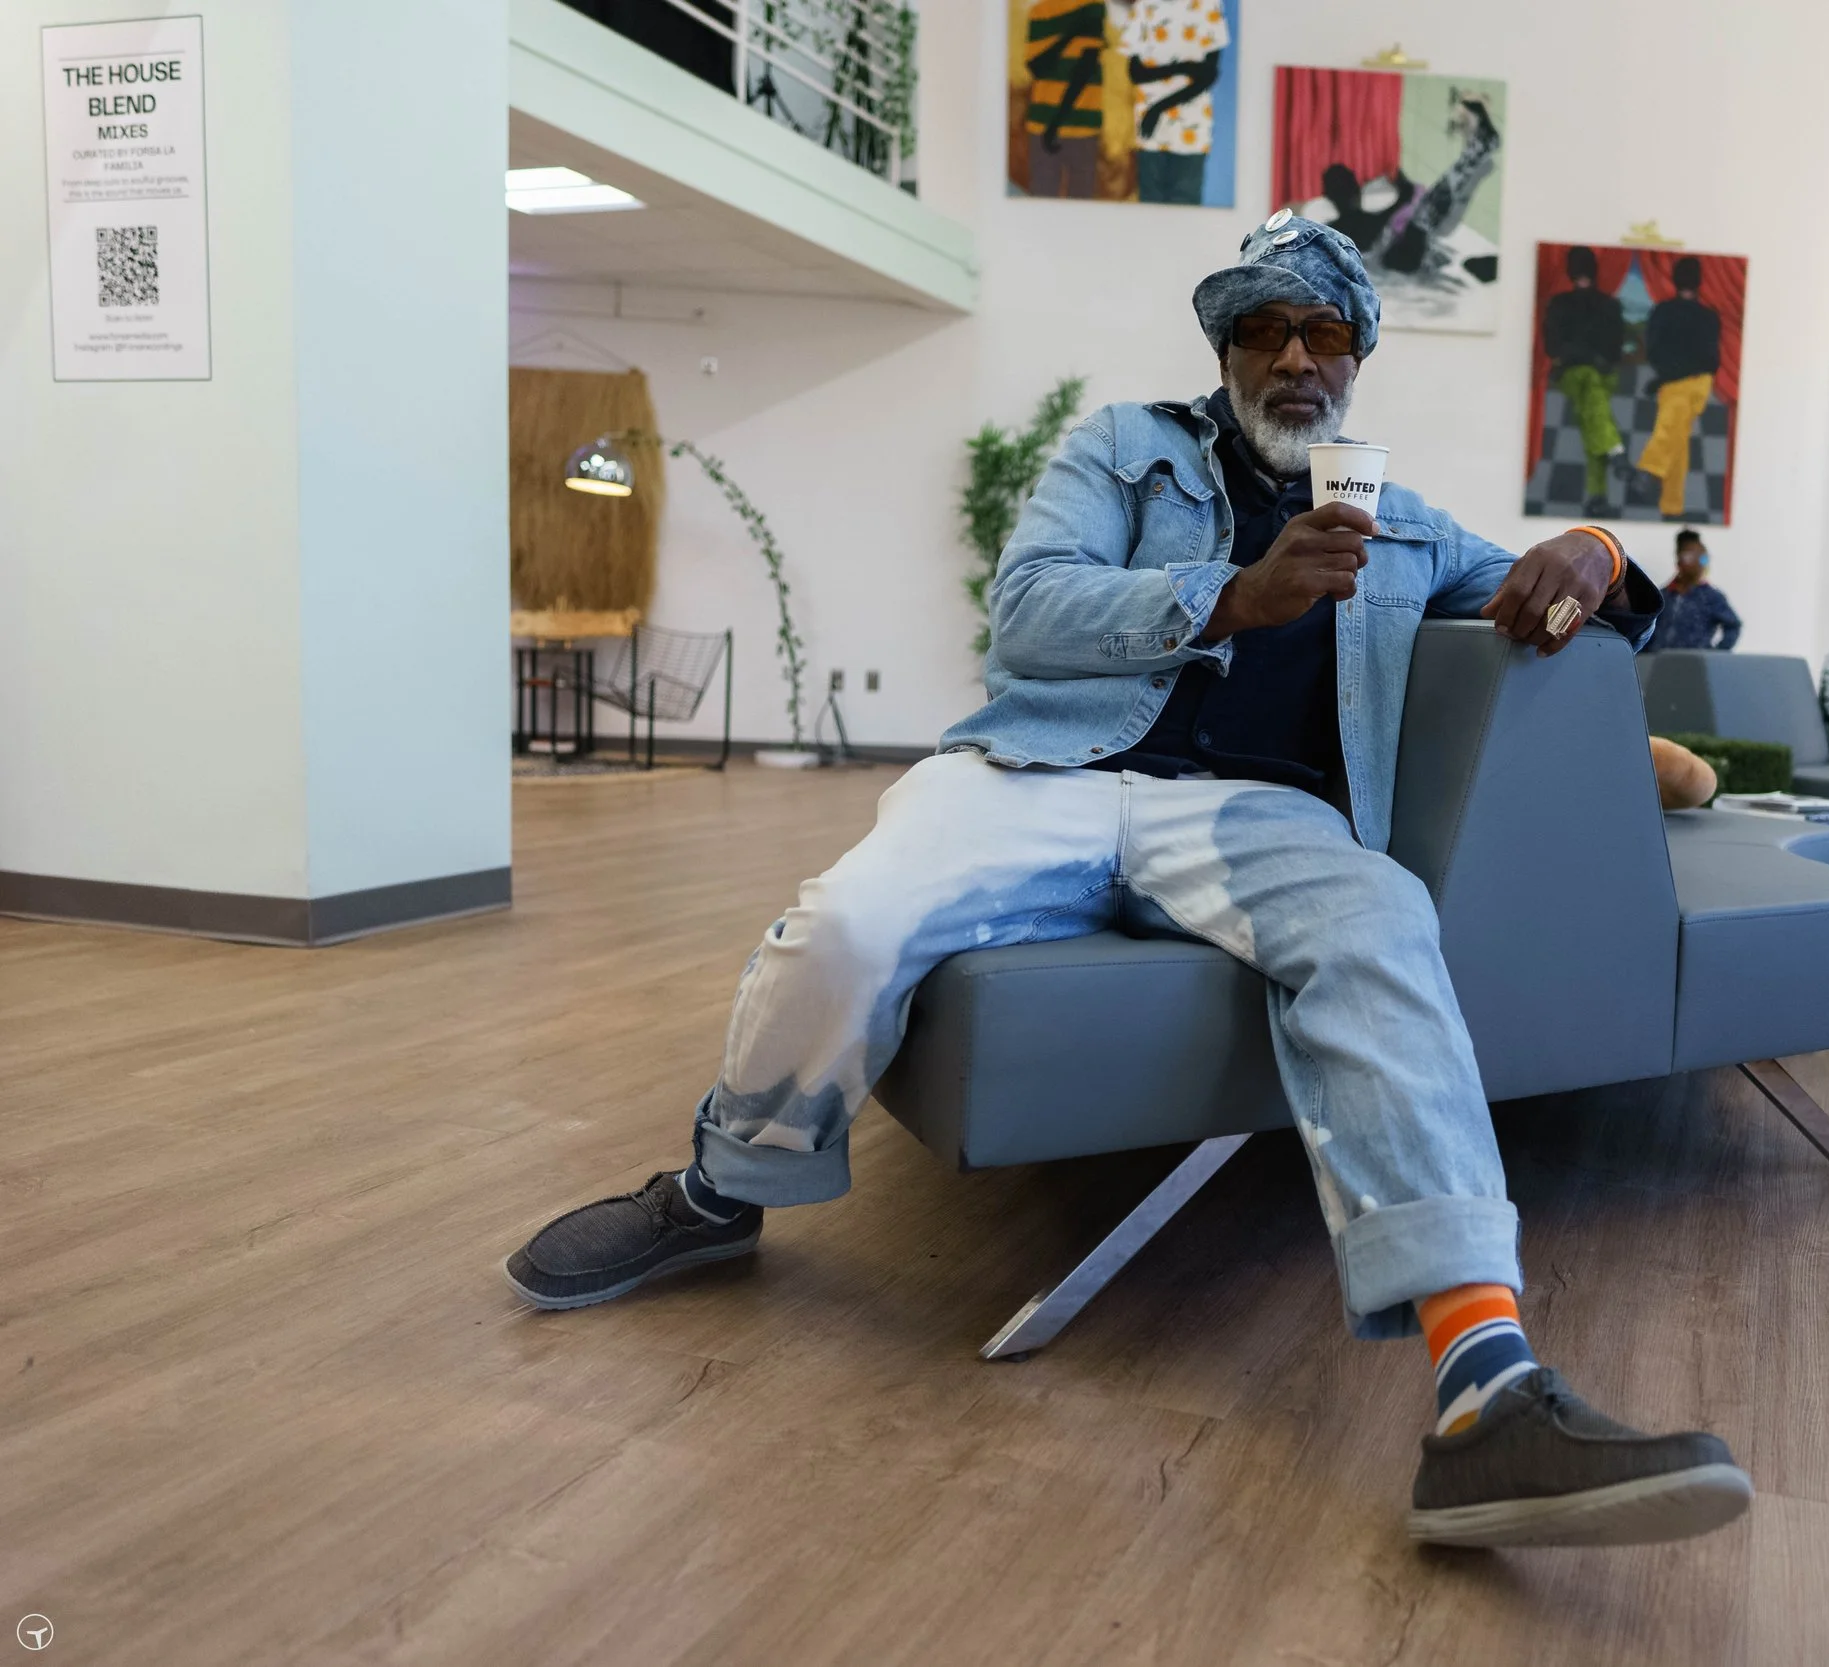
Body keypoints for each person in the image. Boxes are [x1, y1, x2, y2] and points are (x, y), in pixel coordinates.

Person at [504, 213, 1758, 1552]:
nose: (1291, 354)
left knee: (1385, 922)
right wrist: (1232, 595)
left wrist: (1598, 551)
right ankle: (719, 1191)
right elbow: (1029, 608)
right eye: (1260, 328)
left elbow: (1569, 598)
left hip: (1256, 817)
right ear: (1223, 348)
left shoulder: (1397, 523)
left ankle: (1486, 1390)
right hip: (1044, 772)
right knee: (855, 919)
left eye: (1320, 331)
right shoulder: (1125, 448)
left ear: (1356, 358)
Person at [1112, 0, 1228, 205]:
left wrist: (1157, 108)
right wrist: (1185, 68)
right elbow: (1136, 73)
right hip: (1149, 134)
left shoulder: (1207, 6)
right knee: (1149, 209)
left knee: (1186, 209)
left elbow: (1208, 75)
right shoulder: (1145, 6)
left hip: (1191, 132)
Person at [1540, 246, 1627, 510]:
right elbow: (1553, 346)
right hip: (1575, 374)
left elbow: (1614, 348)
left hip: (1600, 374)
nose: (1582, 278)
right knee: (1592, 393)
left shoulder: (1608, 306)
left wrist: (1580, 353)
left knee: (1592, 414)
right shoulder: (1560, 305)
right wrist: (1588, 355)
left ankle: (1599, 490)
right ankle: (1614, 453)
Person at [1636, 256, 1722, 518]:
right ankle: (1672, 505)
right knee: (1678, 436)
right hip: (1693, 382)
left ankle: (1651, 468)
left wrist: (1666, 376)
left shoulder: (1663, 312)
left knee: (1672, 421)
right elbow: (1709, 359)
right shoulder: (1708, 317)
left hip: (1680, 383)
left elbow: (1655, 351)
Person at [1021, 0, 1106, 198]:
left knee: (1080, 206)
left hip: (1080, 125)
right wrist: (1072, 32)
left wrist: (1056, 123)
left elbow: (1085, 69)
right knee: (1042, 201)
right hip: (1043, 124)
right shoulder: (1039, 11)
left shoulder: (1092, 5)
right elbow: (1037, 68)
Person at [1654, 529, 1741, 649]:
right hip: (1658, 663)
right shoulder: (1662, 596)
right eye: (1690, 556)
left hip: (1695, 664)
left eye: (1702, 557)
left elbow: (1733, 625)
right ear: (1679, 560)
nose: (1698, 563)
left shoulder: (1711, 597)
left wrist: (1716, 655)